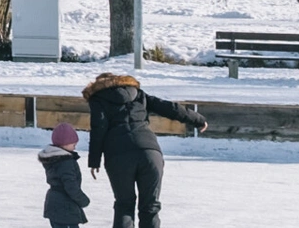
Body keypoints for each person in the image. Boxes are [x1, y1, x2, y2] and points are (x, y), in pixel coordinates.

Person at [81, 72, 206, 228]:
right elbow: (169, 108)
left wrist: (94, 161)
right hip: (149, 152)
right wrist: (198, 120)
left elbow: (98, 128)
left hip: (118, 156)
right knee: (150, 207)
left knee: (124, 204)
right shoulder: (138, 94)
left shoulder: (98, 98)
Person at [39, 122, 89, 228]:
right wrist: (82, 199)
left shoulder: (53, 159)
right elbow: (70, 185)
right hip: (65, 207)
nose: (75, 147)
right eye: (73, 144)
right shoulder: (66, 162)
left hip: (53, 204)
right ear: (65, 144)